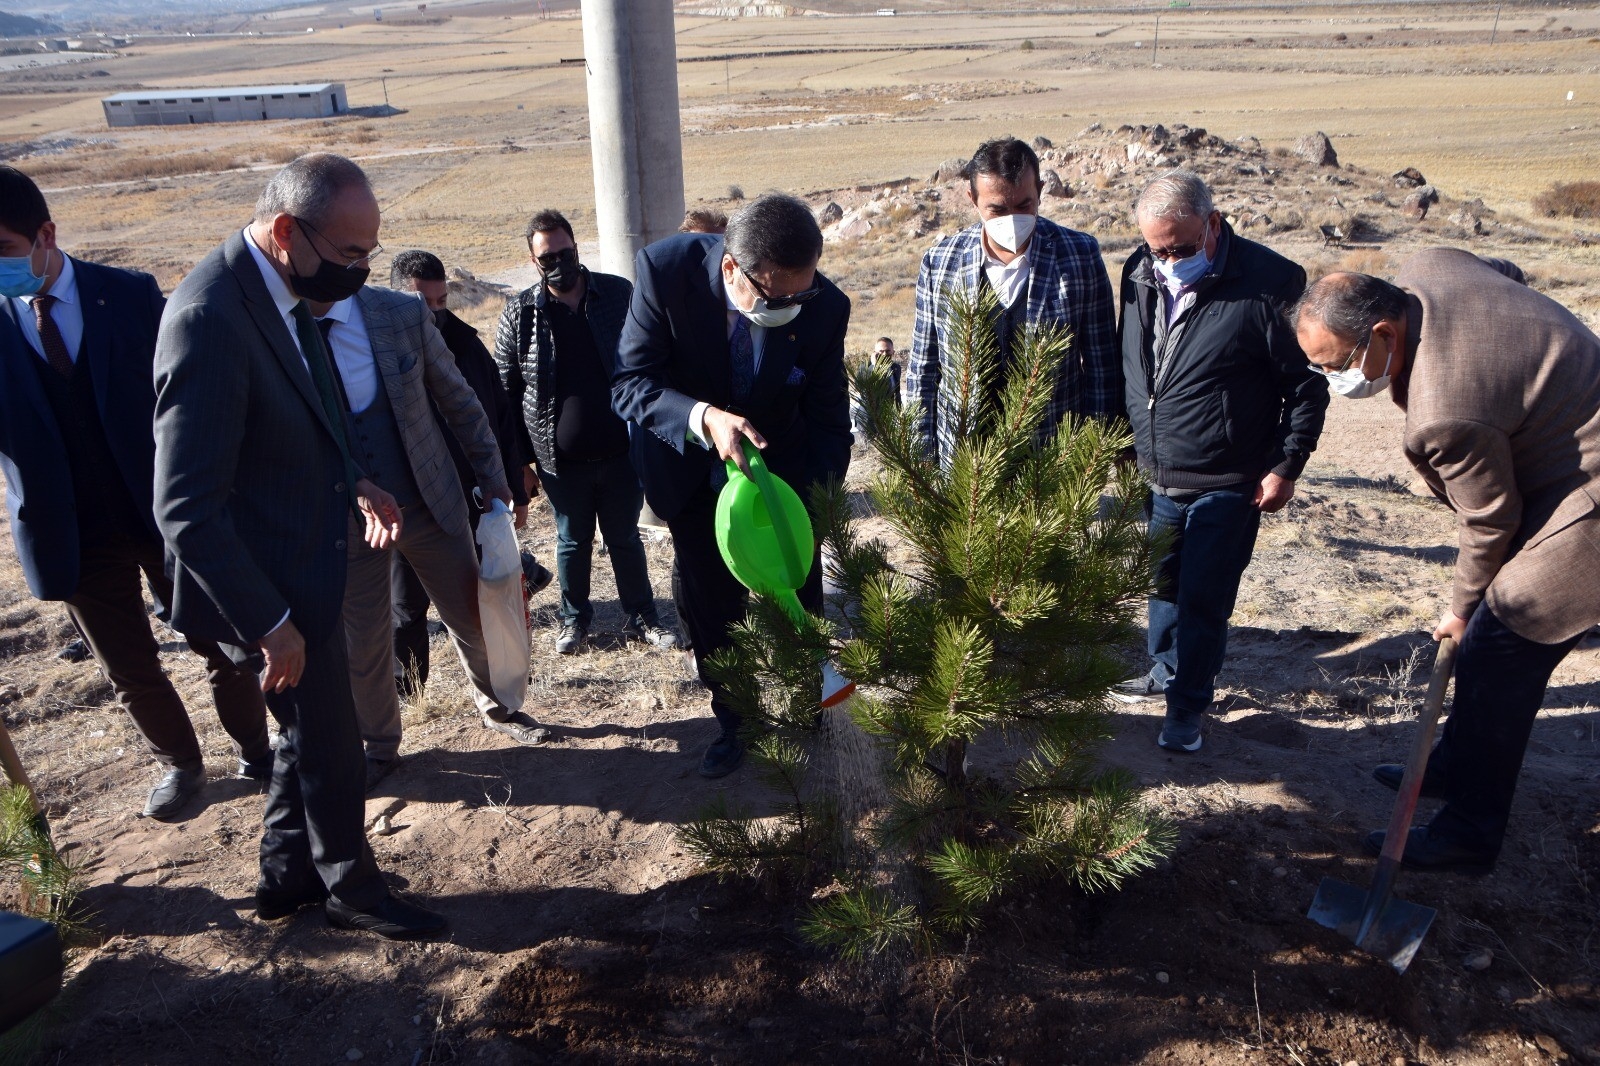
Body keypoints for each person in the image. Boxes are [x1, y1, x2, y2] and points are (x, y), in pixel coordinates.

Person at [153, 153, 443, 938]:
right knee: (332, 740)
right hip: (262, 581)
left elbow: (308, 412)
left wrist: (356, 479)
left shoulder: (283, 291)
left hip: (306, 554)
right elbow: (185, 508)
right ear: (286, 232)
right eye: (349, 256)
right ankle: (351, 890)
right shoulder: (210, 319)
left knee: (306, 734)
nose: (359, 272)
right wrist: (267, 623)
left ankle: (285, 882)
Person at [1294, 252, 1600, 874]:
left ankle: (1468, 832)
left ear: (1383, 332)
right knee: (1491, 634)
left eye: (1338, 365)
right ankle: (1455, 762)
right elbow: (1506, 272)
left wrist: (1461, 612)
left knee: (1498, 643)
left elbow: (1491, 519)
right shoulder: (1427, 268)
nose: (1335, 380)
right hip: (1567, 454)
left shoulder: (1445, 411)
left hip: (1592, 498)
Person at [0, 166, 271, 821]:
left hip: (164, 511)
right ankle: (181, 765)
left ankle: (258, 752)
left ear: (46, 234)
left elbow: (187, 394)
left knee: (226, 643)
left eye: (3, 252)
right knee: (128, 666)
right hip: (68, 529)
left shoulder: (128, 295)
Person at [613, 193, 852, 778]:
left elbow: (828, 419)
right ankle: (736, 720)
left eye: (804, 292)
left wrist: (815, 511)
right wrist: (702, 418)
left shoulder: (824, 308)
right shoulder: (665, 274)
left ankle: (816, 708)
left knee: (801, 594)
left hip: (781, 477)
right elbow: (630, 383)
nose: (792, 307)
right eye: (777, 298)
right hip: (693, 476)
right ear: (731, 271)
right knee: (712, 607)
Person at [1114, 170, 1328, 752]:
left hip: (1230, 477)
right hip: (1159, 469)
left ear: (1212, 224)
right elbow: (1134, 362)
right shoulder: (1139, 271)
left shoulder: (1270, 284)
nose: (1167, 260)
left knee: (1204, 597)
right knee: (1161, 583)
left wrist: (1287, 463)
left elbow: (1305, 386)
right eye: (1157, 248)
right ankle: (1164, 670)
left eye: (1179, 248)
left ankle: (1187, 707)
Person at [321, 253, 537, 791]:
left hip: (429, 498)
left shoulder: (400, 315)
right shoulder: (283, 330)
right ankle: (379, 748)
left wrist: (494, 475)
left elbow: (461, 401)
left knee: (472, 612)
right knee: (366, 638)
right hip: (351, 517)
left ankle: (500, 706)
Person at [494, 210, 677, 656]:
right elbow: (505, 391)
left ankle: (644, 618)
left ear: (577, 247)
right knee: (572, 541)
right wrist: (518, 462)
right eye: (547, 257)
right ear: (533, 260)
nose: (558, 261)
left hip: (621, 451)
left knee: (625, 539)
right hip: (560, 462)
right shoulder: (521, 313)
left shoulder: (618, 294)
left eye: (565, 252)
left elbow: (650, 360)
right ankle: (574, 622)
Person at [385, 250, 551, 704]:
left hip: (474, 499)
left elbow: (499, 417)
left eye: (441, 302)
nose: (434, 313)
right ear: (394, 300)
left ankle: (504, 689)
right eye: (423, 303)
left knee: (490, 598)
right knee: (406, 607)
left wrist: (515, 492)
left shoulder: (465, 343)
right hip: (410, 504)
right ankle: (409, 694)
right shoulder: (377, 356)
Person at [906, 136, 1120, 465]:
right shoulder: (941, 262)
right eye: (998, 209)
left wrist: (1091, 455)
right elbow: (924, 367)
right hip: (966, 464)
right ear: (972, 199)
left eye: (1024, 205)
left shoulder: (1078, 255)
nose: (1012, 218)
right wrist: (920, 454)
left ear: (1041, 191)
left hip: (1049, 462)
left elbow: (1101, 365)